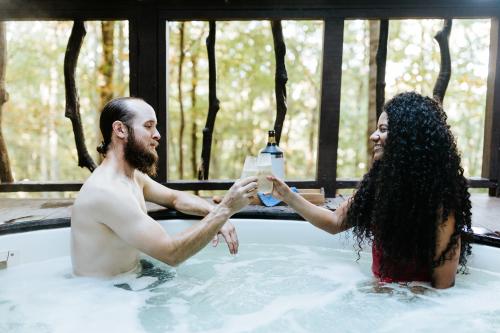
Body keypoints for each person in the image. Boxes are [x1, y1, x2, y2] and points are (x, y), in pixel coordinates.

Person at [269, 92, 472, 289]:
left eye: (382, 130)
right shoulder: (378, 185)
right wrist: (288, 196)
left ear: (407, 137)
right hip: (379, 298)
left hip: (413, 308)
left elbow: (443, 287)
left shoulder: (440, 204)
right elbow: (334, 222)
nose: (373, 136)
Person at [71, 97, 258, 277]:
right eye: (148, 126)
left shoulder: (132, 177)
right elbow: (171, 253)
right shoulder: (106, 191)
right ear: (120, 129)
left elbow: (175, 198)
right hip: (101, 297)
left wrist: (213, 210)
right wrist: (224, 211)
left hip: (127, 283)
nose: (158, 134)